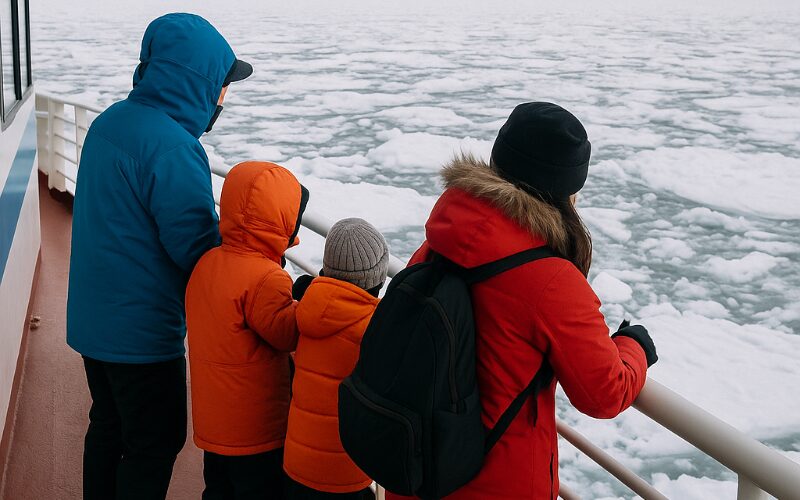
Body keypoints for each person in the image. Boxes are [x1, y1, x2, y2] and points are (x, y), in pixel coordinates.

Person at [386, 102, 658, 500]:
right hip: (496, 484)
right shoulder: (551, 281)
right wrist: (635, 346)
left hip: (417, 471)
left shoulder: (439, 241)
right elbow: (604, 392)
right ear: (567, 189)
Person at [66, 13, 253, 500]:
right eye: (223, 84)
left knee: (107, 424)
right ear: (198, 81)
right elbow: (197, 250)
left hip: (92, 322)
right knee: (154, 443)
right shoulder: (172, 148)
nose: (224, 98)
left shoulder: (111, 122)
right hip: (140, 337)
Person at [186, 161, 309, 500]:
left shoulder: (208, 261)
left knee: (219, 489)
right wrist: (307, 303)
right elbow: (286, 334)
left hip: (215, 422)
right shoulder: (266, 278)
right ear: (280, 218)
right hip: (255, 429)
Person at [284, 218, 388, 500]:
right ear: (377, 276)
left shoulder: (307, 308)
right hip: (345, 470)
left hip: (297, 462)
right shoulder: (375, 329)